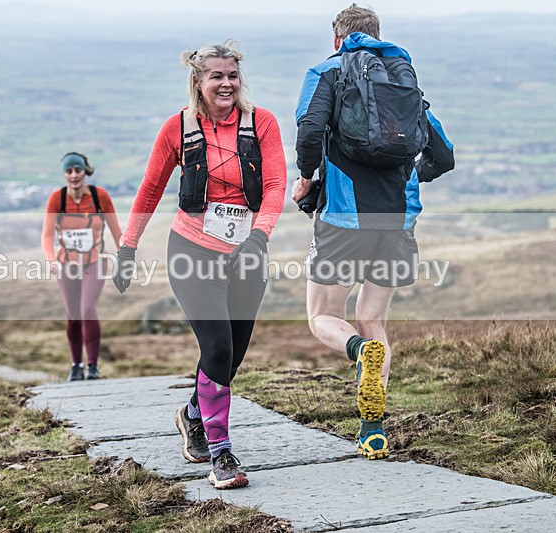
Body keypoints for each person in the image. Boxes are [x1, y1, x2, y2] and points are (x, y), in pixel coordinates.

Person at [112, 40, 287, 489]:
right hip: (192, 249)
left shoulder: (262, 123)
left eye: (232, 75)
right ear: (198, 81)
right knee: (218, 346)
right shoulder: (177, 127)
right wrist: (128, 247)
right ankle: (221, 453)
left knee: (233, 354)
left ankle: (193, 414)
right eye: (216, 76)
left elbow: (275, 185)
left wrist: (259, 236)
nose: (226, 84)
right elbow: (150, 189)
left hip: (247, 251)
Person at [292, 4, 455, 460]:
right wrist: (409, 176)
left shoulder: (327, 72)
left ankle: (358, 350)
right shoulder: (404, 83)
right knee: (374, 319)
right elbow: (443, 156)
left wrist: (305, 178)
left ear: (337, 39)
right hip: (398, 221)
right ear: (377, 34)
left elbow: (309, 130)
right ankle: (373, 431)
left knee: (322, 316)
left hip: (344, 219)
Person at [42, 151, 123, 381]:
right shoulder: (57, 199)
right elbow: (47, 235)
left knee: (87, 308)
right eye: (69, 171)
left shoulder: (99, 196)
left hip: (95, 261)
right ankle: (76, 365)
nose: (74, 175)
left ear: (85, 171)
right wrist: (52, 260)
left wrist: (125, 256)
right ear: (64, 174)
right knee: (73, 314)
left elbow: (116, 230)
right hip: (67, 264)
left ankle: (93, 365)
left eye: (78, 170)